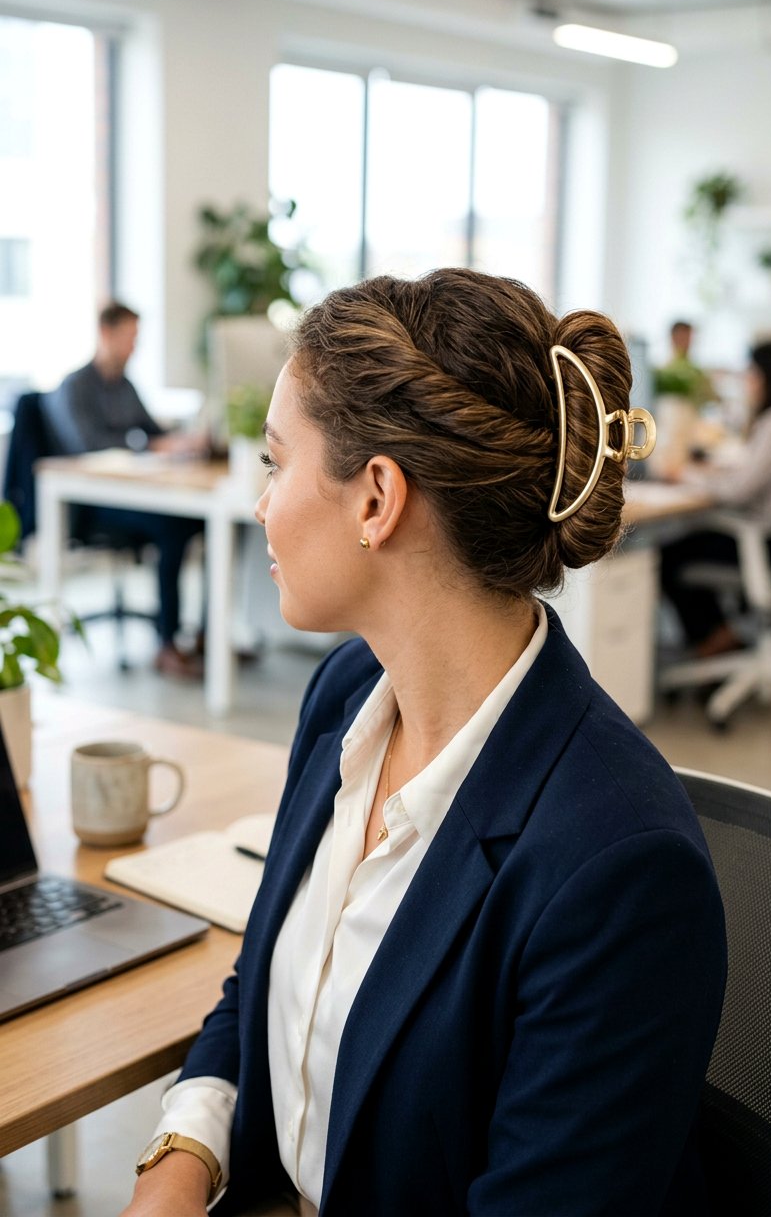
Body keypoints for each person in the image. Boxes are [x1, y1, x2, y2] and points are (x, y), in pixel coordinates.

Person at [121, 269, 727, 1217]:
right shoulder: (346, 696)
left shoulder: (618, 871)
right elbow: (266, 973)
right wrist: (183, 1155)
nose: (261, 504)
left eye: (276, 462)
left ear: (377, 499)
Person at [42, 301, 206, 678]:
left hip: (134, 495)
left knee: (197, 522)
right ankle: (167, 643)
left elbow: (153, 431)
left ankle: (203, 636)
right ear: (106, 333)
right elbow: (88, 445)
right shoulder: (75, 386)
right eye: (128, 337)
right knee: (173, 527)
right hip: (94, 503)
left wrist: (182, 441)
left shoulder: (125, 385)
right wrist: (149, 446)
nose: (134, 346)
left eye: (136, 338)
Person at [661, 338, 771, 658]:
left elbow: (738, 490)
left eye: (752, 374)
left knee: (671, 554)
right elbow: (753, 472)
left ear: (769, 377)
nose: (748, 382)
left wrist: (685, 475)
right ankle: (725, 635)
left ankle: (715, 640)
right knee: (692, 540)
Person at [654, 319, 715, 407]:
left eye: (688, 338)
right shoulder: (662, 372)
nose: (687, 342)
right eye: (682, 337)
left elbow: (710, 396)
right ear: (673, 338)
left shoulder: (697, 372)